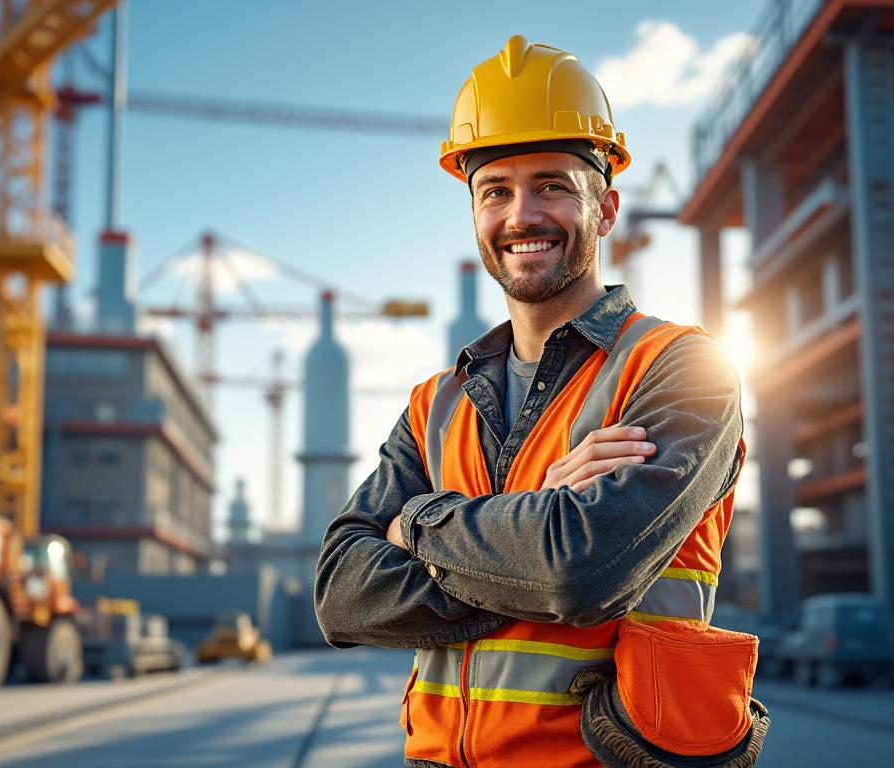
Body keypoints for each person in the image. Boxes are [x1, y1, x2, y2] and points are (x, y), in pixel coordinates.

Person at [315, 36, 769, 768]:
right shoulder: (436, 402)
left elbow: (577, 573)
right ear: (474, 214)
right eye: (495, 190)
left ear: (607, 207)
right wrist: (536, 516)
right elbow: (341, 593)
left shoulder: (682, 367)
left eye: (553, 185)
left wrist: (414, 522)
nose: (522, 215)